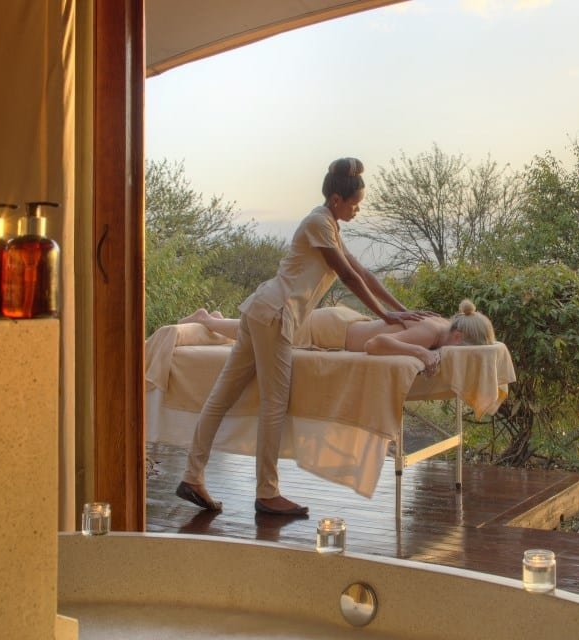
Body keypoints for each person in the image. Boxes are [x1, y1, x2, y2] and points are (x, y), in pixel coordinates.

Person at [176, 157, 433, 516]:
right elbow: (349, 277)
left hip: (262, 311)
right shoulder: (318, 223)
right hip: (274, 316)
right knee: (273, 403)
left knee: (223, 397)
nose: (357, 210)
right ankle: (266, 493)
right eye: (355, 204)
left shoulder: (329, 226)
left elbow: (364, 273)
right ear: (336, 200)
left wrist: (401, 310)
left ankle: (193, 476)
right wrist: (386, 315)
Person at [180, 298, 496, 377]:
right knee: (262, 334)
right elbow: (375, 345)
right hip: (330, 330)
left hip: (344, 322)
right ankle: (205, 319)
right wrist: (422, 354)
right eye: (463, 348)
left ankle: (215, 320)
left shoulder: (441, 326)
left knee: (267, 330)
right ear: (458, 335)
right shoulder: (430, 333)